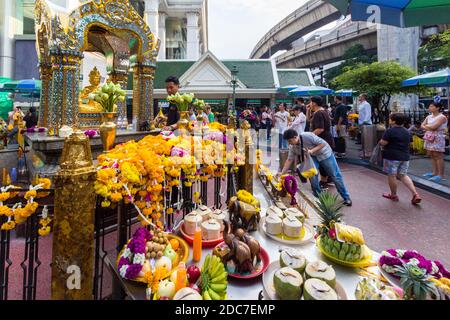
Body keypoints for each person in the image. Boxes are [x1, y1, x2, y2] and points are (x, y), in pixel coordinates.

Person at [278, 129, 352, 206]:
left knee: (335, 175)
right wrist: (282, 173)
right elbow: (289, 160)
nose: (289, 143)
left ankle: (346, 197)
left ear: (295, 137)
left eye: (290, 141)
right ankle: (318, 195)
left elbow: (323, 143)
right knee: (312, 174)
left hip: (325, 154)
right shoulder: (292, 146)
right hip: (313, 157)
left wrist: (312, 151)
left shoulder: (307, 136)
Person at [379, 113, 422, 205]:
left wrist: (381, 142)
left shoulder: (390, 131)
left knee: (392, 175)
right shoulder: (407, 131)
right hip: (405, 156)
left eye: (390, 119)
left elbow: (383, 143)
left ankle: (393, 195)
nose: (389, 120)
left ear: (393, 121)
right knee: (403, 175)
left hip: (392, 157)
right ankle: (415, 194)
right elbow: (410, 143)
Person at [309, 96, 334, 187]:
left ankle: (324, 182)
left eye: (311, 102)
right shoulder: (323, 111)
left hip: (323, 140)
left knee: (323, 161)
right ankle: (328, 179)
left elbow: (320, 129)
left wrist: (310, 136)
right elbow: (310, 120)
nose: (309, 104)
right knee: (325, 161)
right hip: (326, 139)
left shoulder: (319, 113)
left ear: (314, 103)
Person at [421, 102, 448, 183]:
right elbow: (422, 125)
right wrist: (429, 127)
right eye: (429, 106)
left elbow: (433, 127)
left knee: (439, 156)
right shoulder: (429, 116)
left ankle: (441, 175)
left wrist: (428, 127)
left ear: (438, 108)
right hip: (429, 136)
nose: (429, 107)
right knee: (432, 155)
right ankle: (434, 173)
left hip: (438, 137)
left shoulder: (442, 117)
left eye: (432, 106)